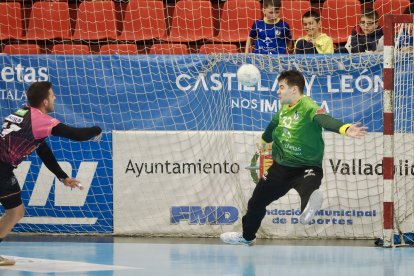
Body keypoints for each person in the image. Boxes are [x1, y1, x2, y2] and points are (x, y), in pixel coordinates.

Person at [220, 70, 368, 246]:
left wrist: (344, 128)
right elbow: (273, 126)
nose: (278, 91)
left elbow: (324, 119)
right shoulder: (284, 109)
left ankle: (307, 209)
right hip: (281, 167)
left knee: (310, 190)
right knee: (256, 202)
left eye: (281, 87)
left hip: (307, 166)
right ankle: (247, 237)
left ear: (294, 89)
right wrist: (263, 141)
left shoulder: (308, 106)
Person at [0, 82, 102, 265]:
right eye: (52, 95)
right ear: (45, 101)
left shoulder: (22, 112)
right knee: (15, 212)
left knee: (15, 211)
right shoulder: (40, 120)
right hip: (1, 169)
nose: (55, 97)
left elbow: (42, 149)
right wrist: (96, 130)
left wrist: (62, 176)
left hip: (3, 169)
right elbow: (75, 134)